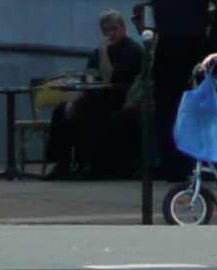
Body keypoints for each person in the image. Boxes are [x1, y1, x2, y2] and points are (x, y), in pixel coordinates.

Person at [46, 11, 145, 179]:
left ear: (123, 28)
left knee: (92, 116)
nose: (110, 34)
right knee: (61, 111)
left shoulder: (132, 51)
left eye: (114, 29)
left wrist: (104, 53)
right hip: (97, 95)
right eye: (106, 30)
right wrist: (73, 100)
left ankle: (92, 165)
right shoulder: (97, 52)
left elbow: (109, 76)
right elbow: (88, 77)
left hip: (120, 98)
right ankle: (61, 164)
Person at [146, 0, 217, 168]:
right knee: (194, 103)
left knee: (167, 105)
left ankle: (169, 159)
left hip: (166, 48)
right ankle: (193, 159)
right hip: (193, 48)